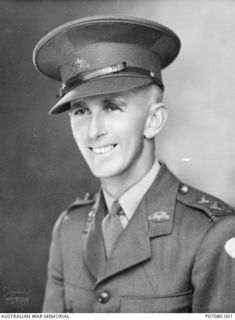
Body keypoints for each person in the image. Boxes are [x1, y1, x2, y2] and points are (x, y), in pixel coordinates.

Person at [33, 15, 235, 313]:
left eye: (112, 107)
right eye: (80, 111)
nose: (93, 131)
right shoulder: (68, 227)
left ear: (154, 120)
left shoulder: (211, 232)